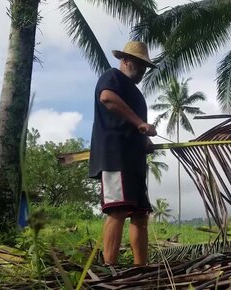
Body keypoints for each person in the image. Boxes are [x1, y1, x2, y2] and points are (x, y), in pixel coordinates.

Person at [88, 41, 157, 265]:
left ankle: (141, 267)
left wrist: (144, 140)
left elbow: (134, 126)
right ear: (125, 61)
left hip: (134, 161)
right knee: (117, 210)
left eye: (146, 67)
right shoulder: (112, 77)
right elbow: (107, 97)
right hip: (115, 156)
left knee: (140, 213)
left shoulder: (137, 95)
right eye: (140, 65)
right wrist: (140, 123)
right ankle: (110, 268)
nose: (143, 71)